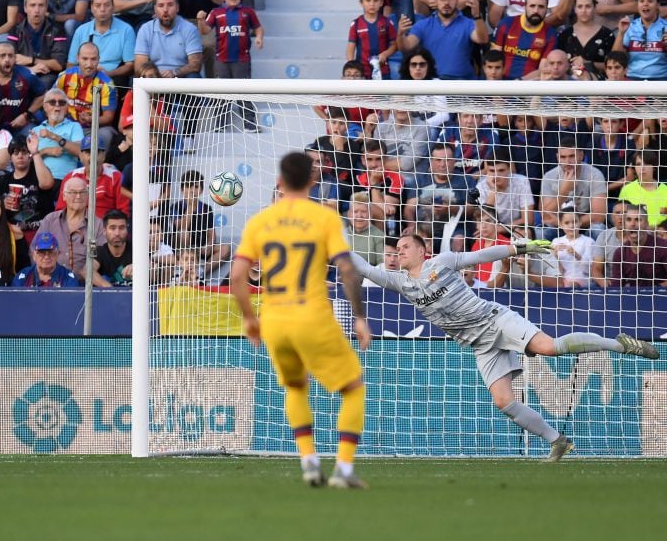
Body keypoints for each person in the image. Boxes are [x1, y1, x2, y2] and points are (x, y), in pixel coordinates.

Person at [352, 232, 657, 457]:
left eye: (406, 247)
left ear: (423, 250)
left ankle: (619, 344)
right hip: (480, 344)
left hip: (495, 320)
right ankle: (558, 441)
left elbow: (481, 256)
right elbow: (364, 269)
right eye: (398, 248)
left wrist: (517, 247)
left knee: (550, 347)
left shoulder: (441, 263)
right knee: (504, 402)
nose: (399, 251)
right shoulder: (399, 281)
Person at [230, 151, 372, 488]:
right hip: (312, 316)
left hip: (275, 320)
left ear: (280, 181)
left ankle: (309, 462)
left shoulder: (260, 221)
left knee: (295, 386)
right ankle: (343, 469)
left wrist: (250, 319)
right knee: (353, 388)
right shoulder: (324, 219)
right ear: (312, 180)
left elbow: (237, 277)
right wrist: (360, 318)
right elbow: (348, 271)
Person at [397, 0, 490, 80]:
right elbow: (406, 47)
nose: (446, 2)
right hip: (433, 85)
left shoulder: (468, 23)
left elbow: (482, 39)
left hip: (462, 84)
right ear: (435, 1)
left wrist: (477, 16)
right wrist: (400, 34)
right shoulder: (423, 25)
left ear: (457, 0)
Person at [0, 40, 47, 132]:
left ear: (15, 58)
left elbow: (43, 94)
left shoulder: (27, 76)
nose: (7, 59)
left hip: (21, 125)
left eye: (10, 56)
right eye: (2, 56)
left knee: (32, 137)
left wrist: (26, 115)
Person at [0, 133, 55, 240]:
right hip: (14, 234)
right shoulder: (2, 182)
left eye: (24, 152)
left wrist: (35, 152)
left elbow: (46, 184)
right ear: (11, 157)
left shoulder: (39, 173)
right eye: (16, 153)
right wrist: (2, 205)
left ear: (30, 156)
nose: (20, 156)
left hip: (42, 232)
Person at [66, 0, 135, 84]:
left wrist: (108, 74)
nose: (102, 9)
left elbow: (130, 66)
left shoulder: (126, 30)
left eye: (107, 5)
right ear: (92, 8)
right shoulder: (81, 31)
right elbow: (71, 64)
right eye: (98, 5)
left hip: (113, 78)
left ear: (113, 7)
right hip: (84, 76)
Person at [490, 0, 557, 79]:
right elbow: (493, 59)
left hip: (529, 85)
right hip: (502, 83)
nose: (536, 11)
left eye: (541, 7)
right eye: (532, 6)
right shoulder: (506, 24)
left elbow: (543, 70)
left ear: (546, 9)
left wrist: (521, 82)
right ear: (525, 6)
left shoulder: (550, 34)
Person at [6, 0, 68, 88]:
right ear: (25, 8)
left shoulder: (57, 30)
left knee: (44, 84)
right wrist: (30, 70)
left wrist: (31, 60)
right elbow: (9, 62)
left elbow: (58, 64)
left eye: (41, 5)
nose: (37, 10)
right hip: (21, 73)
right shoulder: (15, 30)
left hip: (47, 75)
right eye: (32, 5)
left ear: (46, 7)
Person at [54, 42, 116, 131]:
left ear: (99, 59)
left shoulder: (107, 84)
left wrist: (91, 120)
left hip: (91, 128)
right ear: (77, 58)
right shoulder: (64, 76)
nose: (89, 64)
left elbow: (108, 117)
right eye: (85, 59)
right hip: (64, 123)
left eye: (93, 59)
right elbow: (51, 100)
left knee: (106, 134)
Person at [345, 0, 396, 80]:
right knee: (363, 95)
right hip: (362, 71)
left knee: (382, 95)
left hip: (382, 70)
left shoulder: (387, 22)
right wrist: (353, 67)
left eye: (375, 0)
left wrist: (385, 54)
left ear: (381, 3)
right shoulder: (356, 23)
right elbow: (350, 47)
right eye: (368, 0)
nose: (372, 4)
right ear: (361, 3)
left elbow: (395, 45)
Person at [614, 0, 667, 80]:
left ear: (658, 5)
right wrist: (621, 33)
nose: (645, 4)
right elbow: (616, 58)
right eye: (641, 1)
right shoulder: (629, 26)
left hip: (661, 80)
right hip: (633, 79)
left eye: (650, 1)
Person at [12, 230, 79, 286]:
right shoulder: (23, 277)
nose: (46, 257)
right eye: (41, 252)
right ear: (34, 255)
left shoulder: (69, 279)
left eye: (51, 252)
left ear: (57, 254)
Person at [93, 208, 130, 287]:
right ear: (104, 231)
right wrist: (109, 288)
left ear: (127, 230)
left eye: (122, 228)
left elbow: (152, 269)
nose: (117, 233)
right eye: (112, 228)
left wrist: (140, 267)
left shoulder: (136, 250)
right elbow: (87, 271)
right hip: (108, 298)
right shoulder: (100, 251)